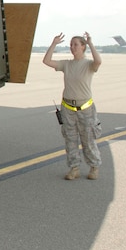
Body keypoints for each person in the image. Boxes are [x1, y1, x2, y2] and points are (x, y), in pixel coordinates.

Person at [43, 32, 102, 180]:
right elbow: (47, 61)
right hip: (68, 108)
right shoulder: (67, 64)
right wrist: (54, 43)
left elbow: (98, 61)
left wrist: (90, 43)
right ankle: (74, 168)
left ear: (83, 47)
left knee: (88, 140)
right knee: (70, 140)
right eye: (71, 45)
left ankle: (94, 166)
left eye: (75, 44)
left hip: (85, 108)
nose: (72, 47)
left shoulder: (88, 65)